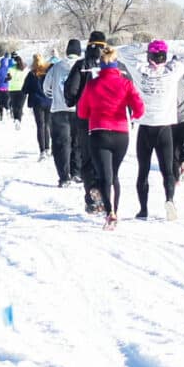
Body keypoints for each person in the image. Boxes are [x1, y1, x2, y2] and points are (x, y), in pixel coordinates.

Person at [118, 38, 184, 220]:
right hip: (164, 127)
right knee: (168, 170)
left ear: (149, 56)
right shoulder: (172, 72)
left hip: (145, 126)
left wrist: (143, 45)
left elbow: (123, 52)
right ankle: (169, 199)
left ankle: (143, 209)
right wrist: (170, 46)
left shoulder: (140, 71)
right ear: (164, 57)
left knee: (143, 170)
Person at [75, 45, 145, 230]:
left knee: (105, 176)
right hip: (121, 135)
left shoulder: (92, 85)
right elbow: (139, 108)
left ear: (101, 66)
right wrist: (134, 117)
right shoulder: (126, 83)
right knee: (114, 175)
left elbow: (82, 112)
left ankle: (110, 213)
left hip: (99, 133)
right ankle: (115, 210)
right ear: (116, 65)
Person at [63, 30, 134, 212]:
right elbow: (130, 89)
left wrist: (73, 102)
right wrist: (130, 111)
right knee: (108, 164)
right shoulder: (119, 66)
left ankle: (92, 193)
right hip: (114, 121)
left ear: (88, 45)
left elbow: (70, 91)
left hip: (86, 119)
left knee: (87, 159)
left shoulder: (81, 65)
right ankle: (107, 198)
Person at [45, 39, 81, 186]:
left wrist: (53, 95)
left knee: (61, 144)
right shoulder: (83, 66)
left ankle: (64, 177)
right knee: (77, 143)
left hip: (59, 109)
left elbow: (46, 87)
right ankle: (77, 173)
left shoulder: (56, 67)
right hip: (79, 110)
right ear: (79, 52)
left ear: (67, 51)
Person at [26, 54, 53, 157]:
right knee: (47, 125)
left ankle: (42, 151)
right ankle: (48, 148)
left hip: (37, 102)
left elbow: (25, 89)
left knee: (40, 126)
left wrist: (31, 91)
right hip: (49, 101)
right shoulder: (48, 73)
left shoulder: (32, 74)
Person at [6, 52, 29, 126]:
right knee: (20, 106)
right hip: (22, 89)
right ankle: (18, 119)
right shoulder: (25, 69)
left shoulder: (10, 69)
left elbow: (8, 78)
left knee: (14, 105)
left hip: (12, 89)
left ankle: (16, 119)